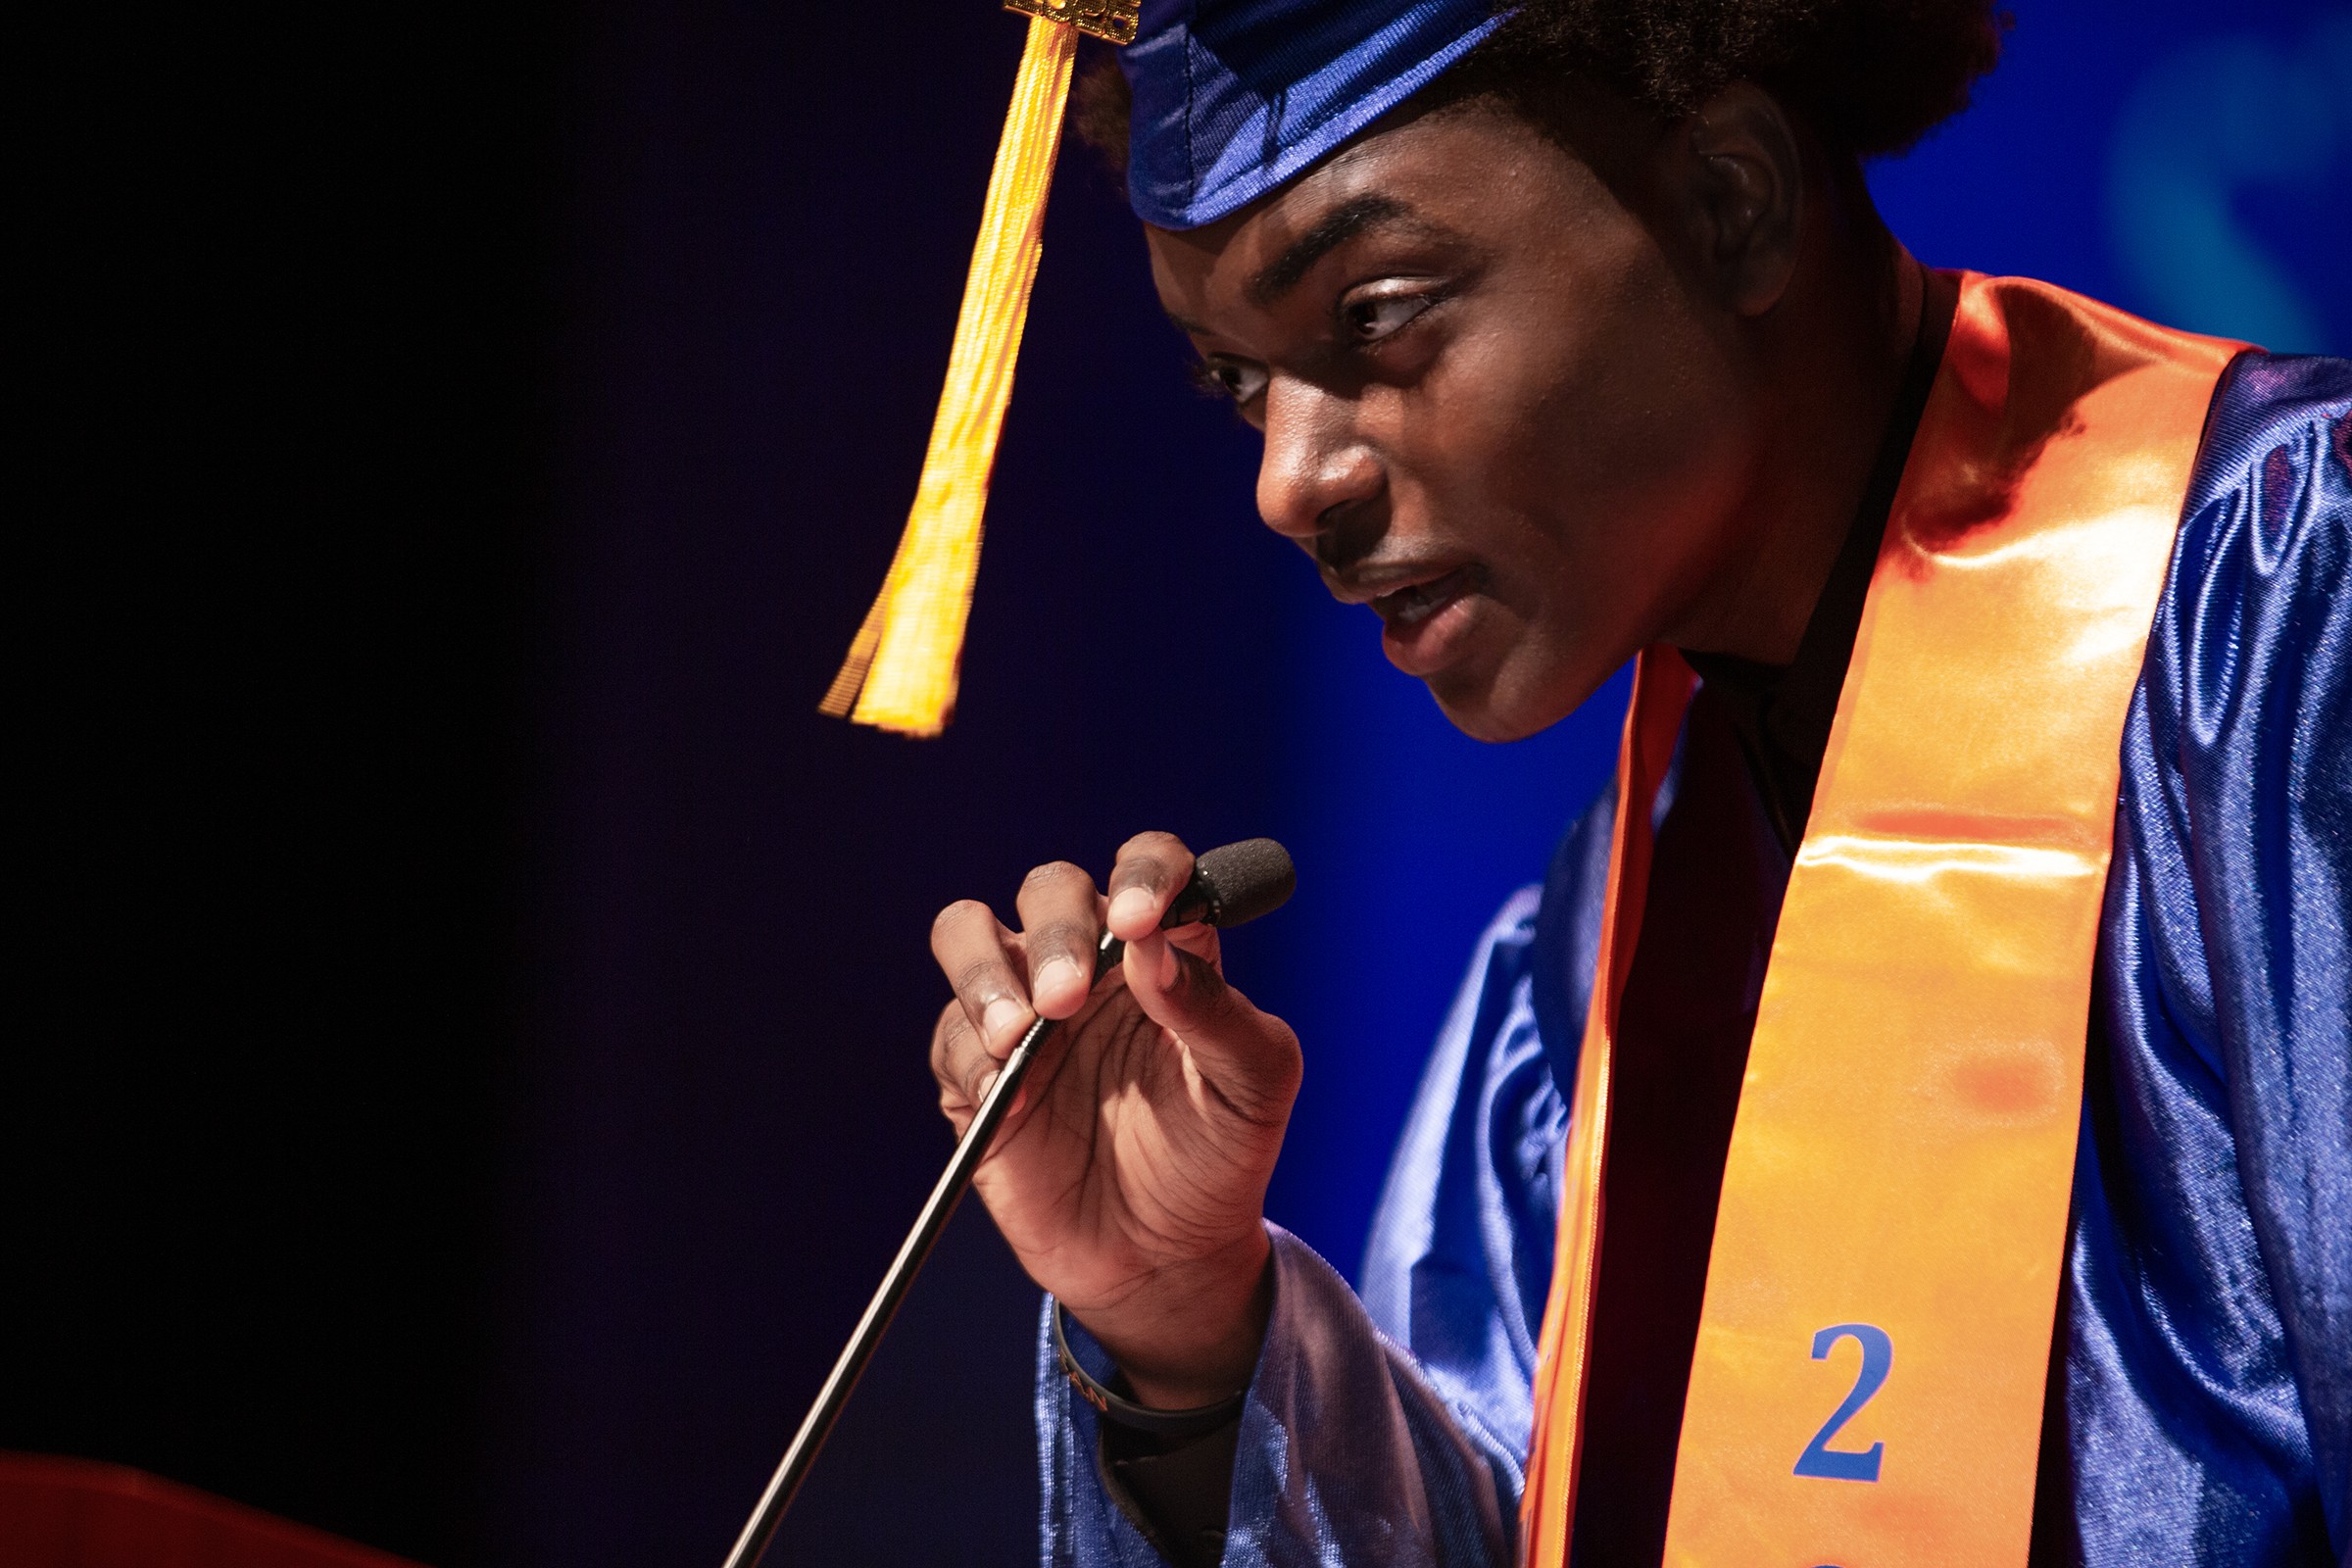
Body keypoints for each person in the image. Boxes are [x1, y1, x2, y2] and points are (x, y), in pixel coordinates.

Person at [920, 2, 2351, 1563]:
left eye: (1378, 314)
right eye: (1236, 382)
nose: (1285, 482)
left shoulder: (2283, 609)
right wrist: (1188, 1331)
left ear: (1733, 203)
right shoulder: (1609, 922)